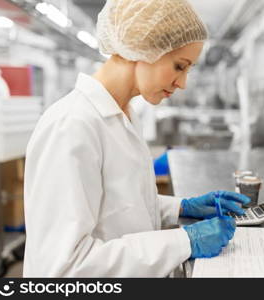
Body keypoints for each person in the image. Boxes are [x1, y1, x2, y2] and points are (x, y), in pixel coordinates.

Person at [23, 0, 250, 277]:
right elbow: (64, 268)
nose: (183, 83)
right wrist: (184, 241)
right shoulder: (71, 126)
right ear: (142, 47)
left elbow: (119, 205)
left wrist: (180, 207)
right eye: (179, 66)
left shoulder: (125, 114)